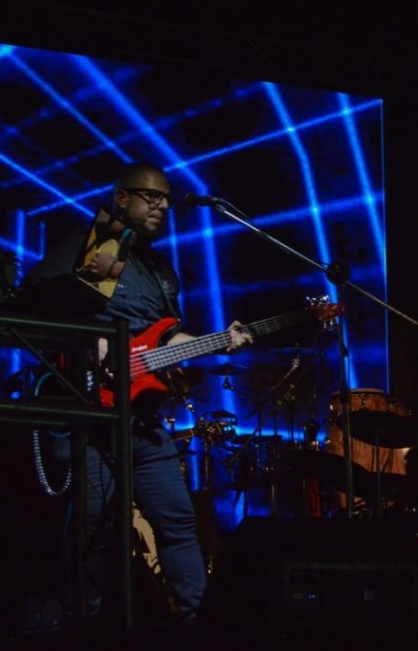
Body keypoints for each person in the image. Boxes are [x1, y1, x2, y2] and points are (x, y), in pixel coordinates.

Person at [21, 162, 253, 625]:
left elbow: (166, 338)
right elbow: (34, 308)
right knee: (92, 528)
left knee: (178, 520)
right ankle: (76, 626)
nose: (162, 206)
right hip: (93, 413)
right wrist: (89, 341)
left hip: (144, 419)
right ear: (122, 198)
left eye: (166, 199)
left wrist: (219, 342)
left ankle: (199, 625)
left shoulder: (162, 271)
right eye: (152, 197)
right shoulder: (97, 246)